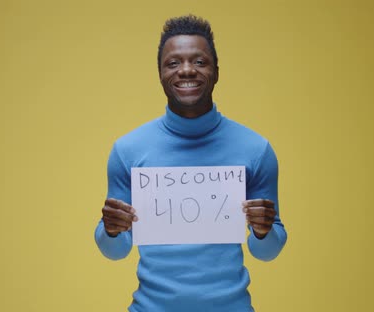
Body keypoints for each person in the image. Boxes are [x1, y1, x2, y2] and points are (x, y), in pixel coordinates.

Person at [94, 14, 287, 312]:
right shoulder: (128, 150)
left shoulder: (255, 150)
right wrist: (109, 230)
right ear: (159, 73)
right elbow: (114, 251)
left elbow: (268, 251)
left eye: (199, 62)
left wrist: (263, 231)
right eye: (173, 63)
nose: (186, 70)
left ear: (217, 71)